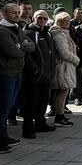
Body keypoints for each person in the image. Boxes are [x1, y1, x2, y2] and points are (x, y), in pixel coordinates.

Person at [0, 3, 32, 153]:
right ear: (5, 14)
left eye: (18, 13)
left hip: (16, 72)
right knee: (3, 108)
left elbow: (31, 46)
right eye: (13, 13)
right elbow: (13, 51)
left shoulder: (16, 28)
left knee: (8, 107)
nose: (17, 15)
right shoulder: (0, 31)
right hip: (4, 73)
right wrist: (21, 47)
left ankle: (4, 135)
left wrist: (20, 46)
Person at [21, 10, 57, 138]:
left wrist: (52, 68)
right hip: (33, 75)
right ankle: (28, 128)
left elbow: (51, 52)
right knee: (31, 103)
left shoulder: (48, 33)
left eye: (45, 19)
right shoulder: (28, 33)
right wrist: (34, 68)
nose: (42, 21)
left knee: (43, 101)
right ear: (33, 18)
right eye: (39, 18)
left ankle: (40, 123)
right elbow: (25, 54)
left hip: (47, 74)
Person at [50, 12, 79, 127]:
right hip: (62, 67)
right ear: (58, 21)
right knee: (63, 91)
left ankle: (60, 115)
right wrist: (76, 59)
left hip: (65, 66)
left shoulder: (63, 32)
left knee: (64, 91)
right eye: (64, 20)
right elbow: (63, 52)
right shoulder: (58, 33)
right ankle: (59, 116)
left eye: (68, 20)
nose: (67, 22)